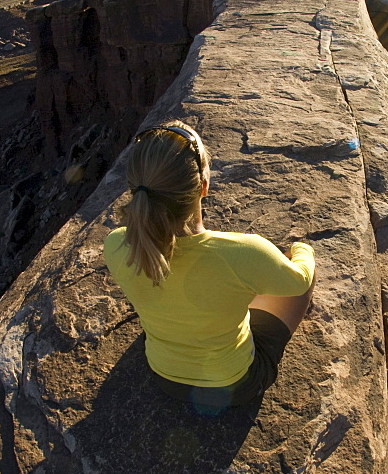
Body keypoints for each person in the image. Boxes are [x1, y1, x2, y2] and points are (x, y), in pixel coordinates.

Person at [104, 120, 316, 413]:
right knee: (291, 282)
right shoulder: (245, 252)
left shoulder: (116, 245)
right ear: (203, 186)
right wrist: (302, 249)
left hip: (163, 375)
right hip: (233, 385)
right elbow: (300, 280)